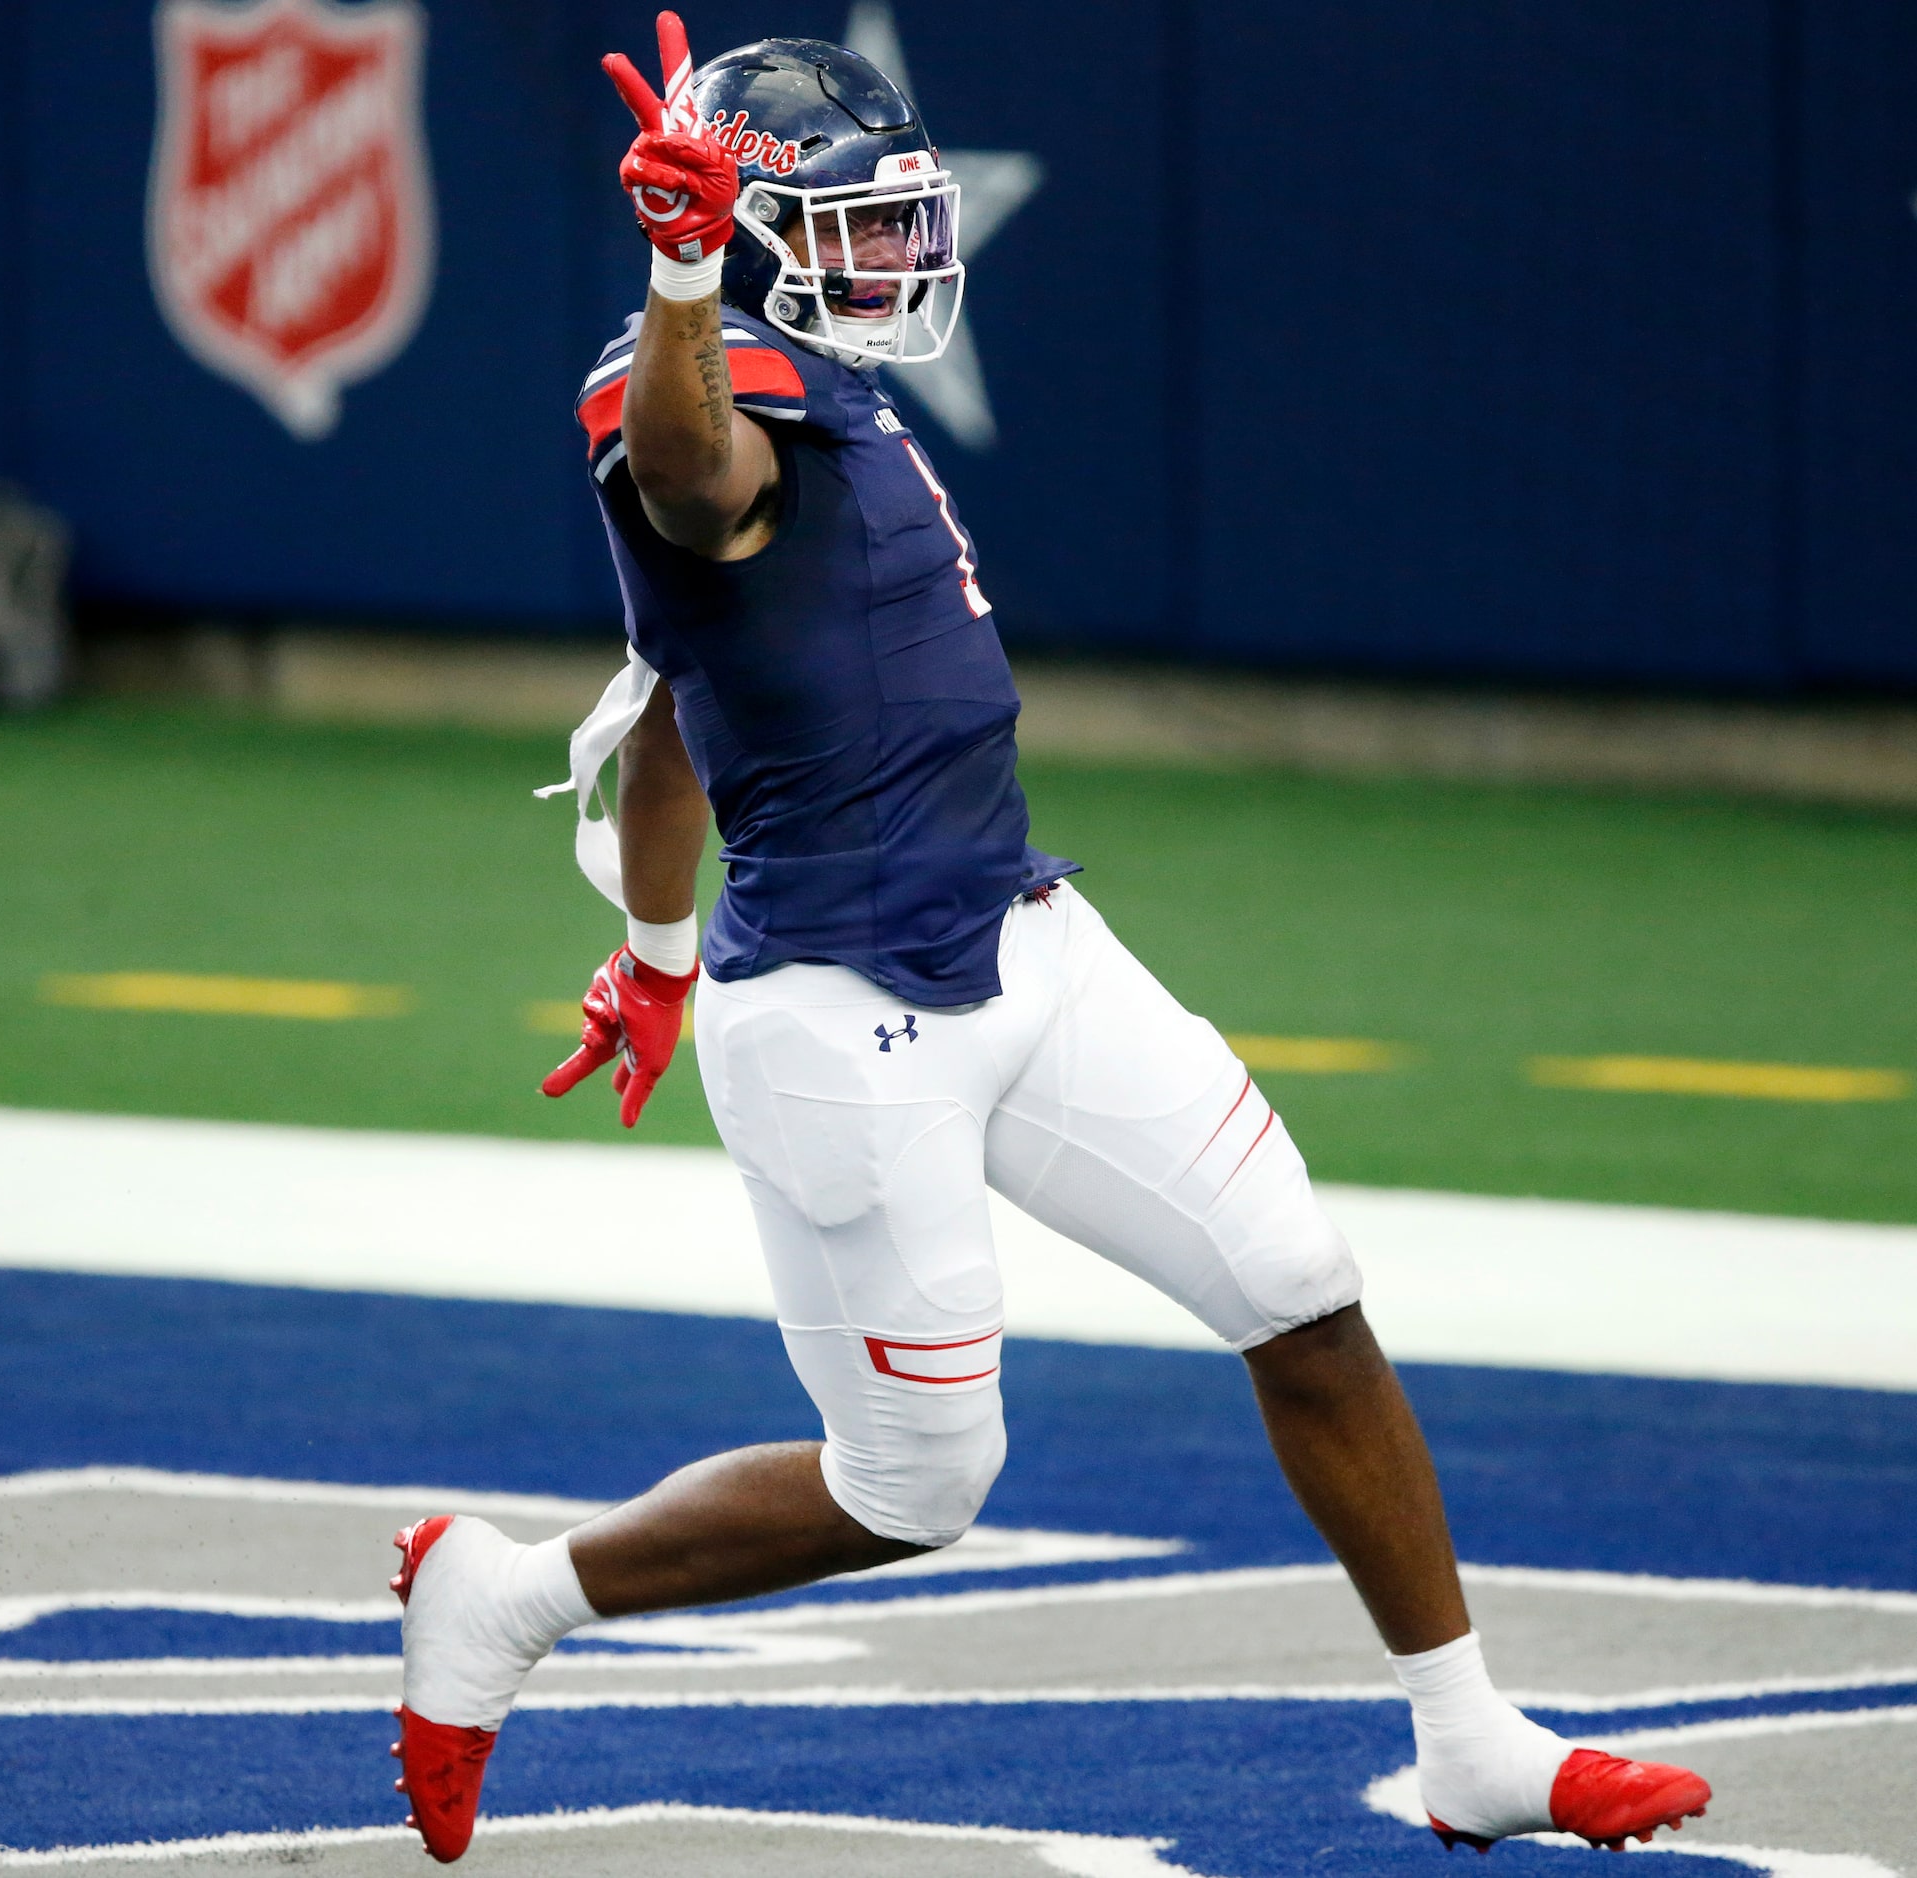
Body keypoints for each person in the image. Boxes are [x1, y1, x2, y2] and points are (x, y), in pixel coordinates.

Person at [387, 17, 1711, 1864]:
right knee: (916, 1487)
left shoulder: (827, 382)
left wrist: (653, 947)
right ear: (737, 232)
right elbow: (692, 474)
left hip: (1021, 937)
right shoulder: (676, 376)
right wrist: (684, 275)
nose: (895, 255)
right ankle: (505, 1596)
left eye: (893, 216)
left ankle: (1469, 1734)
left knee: (1300, 1294)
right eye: (845, 223)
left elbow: (678, 699)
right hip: (843, 1020)